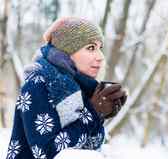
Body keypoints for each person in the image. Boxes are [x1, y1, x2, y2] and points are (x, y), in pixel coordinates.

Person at [6, 17, 127, 159]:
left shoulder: (80, 88)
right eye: (91, 48)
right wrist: (93, 112)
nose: (100, 56)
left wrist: (99, 116)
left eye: (100, 48)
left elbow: (90, 147)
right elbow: (48, 152)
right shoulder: (38, 84)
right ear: (67, 51)